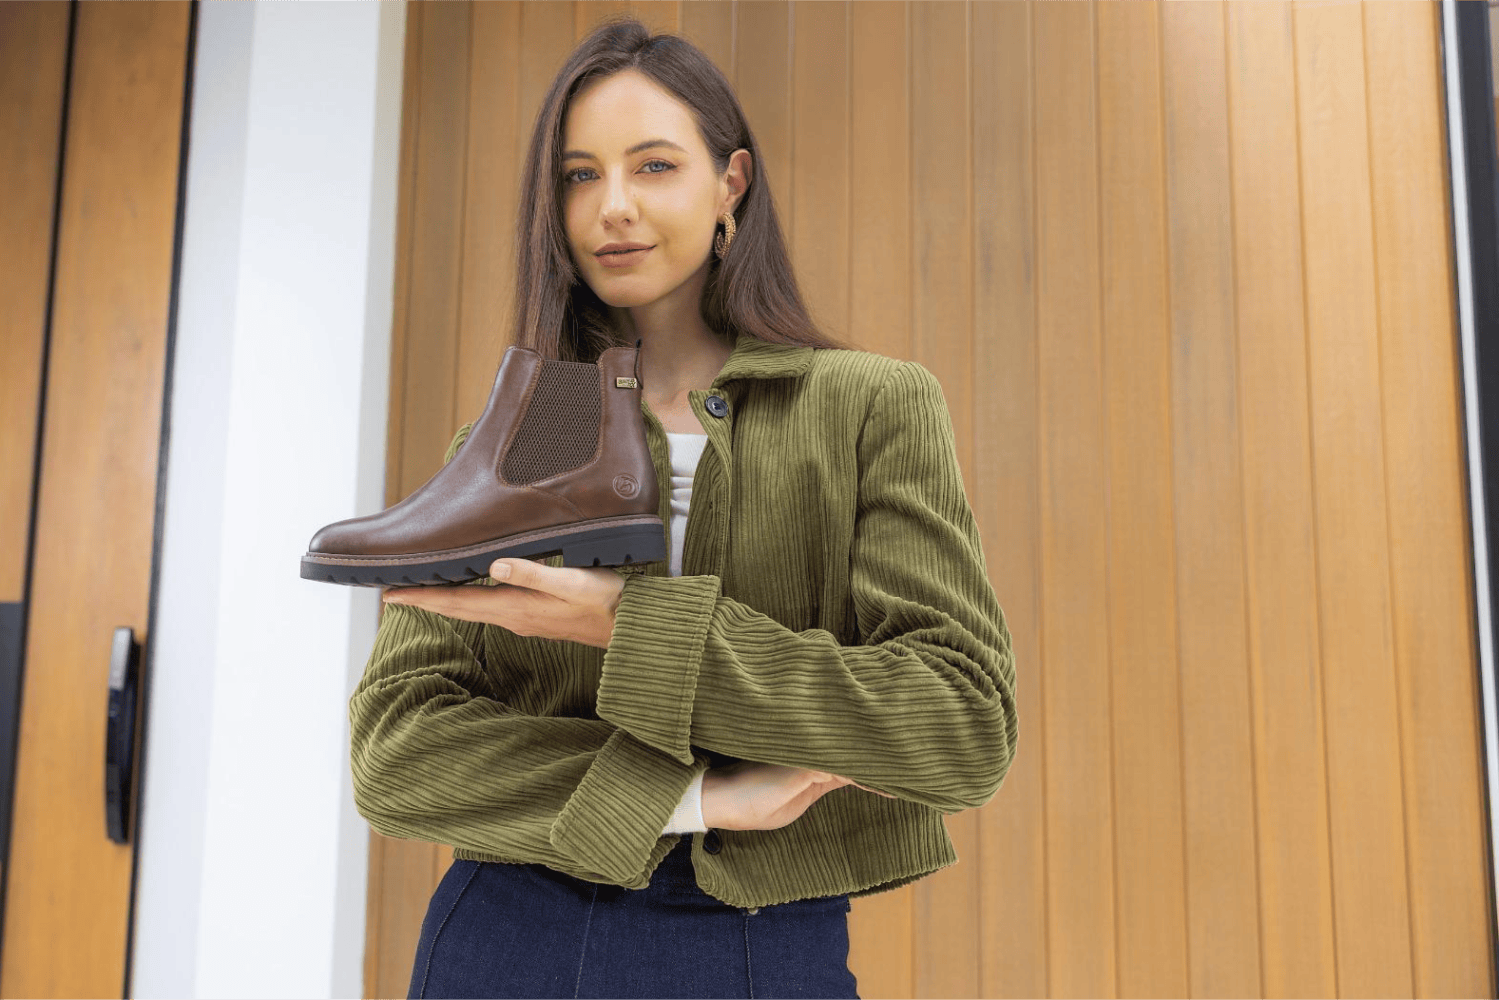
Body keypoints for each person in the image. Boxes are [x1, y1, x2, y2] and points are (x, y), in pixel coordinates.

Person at [350, 16, 1017, 1000]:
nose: (611, 207)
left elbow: (957, 723)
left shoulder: (869, 405)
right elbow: (397, 751)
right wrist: (691, 794)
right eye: (578, 176)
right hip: (502, 934)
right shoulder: (507, 443)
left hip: (753, 944)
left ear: (729, 186)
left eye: (653, 166)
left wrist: (631, 625)